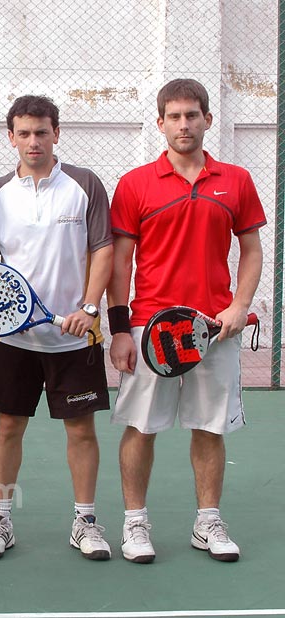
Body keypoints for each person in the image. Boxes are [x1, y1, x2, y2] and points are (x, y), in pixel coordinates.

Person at [107, 78, 266, 564]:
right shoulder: (135, 184)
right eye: (173, 116)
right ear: (160, 123)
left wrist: (239, 305)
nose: (183, 124)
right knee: (141, 426)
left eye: (191, 115)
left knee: (210, 428)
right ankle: (135, 525)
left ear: (207, 120)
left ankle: (207, 522)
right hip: (151, 328)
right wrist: (118, 329)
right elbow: (120, 263)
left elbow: (252, 251)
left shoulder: (235, 179)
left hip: (215, 329)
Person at [0, 95, 114, 561]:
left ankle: (85, 522)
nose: (34, 141)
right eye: (25, 133)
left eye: (42, 132)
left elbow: (103, 251)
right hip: (14, 338)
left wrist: (90, 309)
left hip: (74, 337)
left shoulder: (85, 184)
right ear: (10, 137)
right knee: (8, 426)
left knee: (81, 430)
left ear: (57, 133)